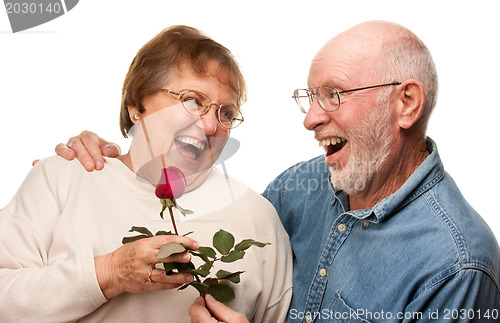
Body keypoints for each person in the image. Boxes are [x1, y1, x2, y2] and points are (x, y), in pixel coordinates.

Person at [52, 20, 500, 322]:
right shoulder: (297, 190)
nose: (310, 118)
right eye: (310, 97)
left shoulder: (459, 266)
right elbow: (213, 229)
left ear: (406, 103)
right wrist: (113, 169)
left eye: (334, 94)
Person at [0, 25, 292, 322]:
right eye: (193, 101)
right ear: (136, 106)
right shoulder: (61, 178)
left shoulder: (258, 219)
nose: (209, 126)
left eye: (226, 113)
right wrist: (110, 273)